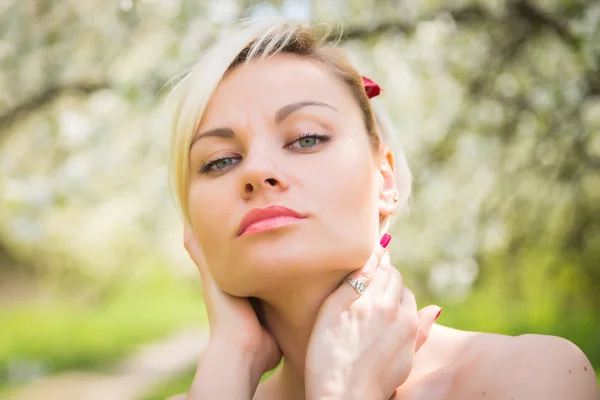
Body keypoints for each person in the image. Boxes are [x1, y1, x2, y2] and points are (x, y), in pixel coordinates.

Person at [165, 18, 599, 400]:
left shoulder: (531, 378)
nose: (257, 170)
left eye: (307, 138)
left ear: (385, 179)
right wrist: (232, 356)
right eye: (219, 160)